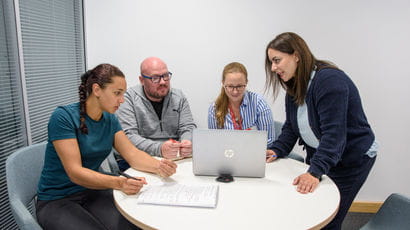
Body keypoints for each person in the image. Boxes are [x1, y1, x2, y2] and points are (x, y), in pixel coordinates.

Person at [36, 64, 177, 230]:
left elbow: (132, 154)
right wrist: (118, 183)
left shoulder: (110, 119)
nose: (122, 100)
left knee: (133, 225)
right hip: (57, 199)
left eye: (123, 93)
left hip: (92, 191)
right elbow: (75, 173)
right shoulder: (63, 117)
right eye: (117, 93)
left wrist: (159, 166)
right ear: (97, 90)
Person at [264, 32, 378, 230]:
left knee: (328, 218)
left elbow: (334, 135)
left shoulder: (329, 81)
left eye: (277, 60)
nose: (273, 68)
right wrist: (276, 150)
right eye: (271, 62)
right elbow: (292, 127)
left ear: (296, 56)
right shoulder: (295, 84)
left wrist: (315, 172)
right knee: (309, 208)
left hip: (352, 159)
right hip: (325, 155)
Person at [116, 57, 196, 171]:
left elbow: (188, 127)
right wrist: (159, 149)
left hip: (176, 159)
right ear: (142, 80)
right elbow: (128, 136)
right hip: (140, 159)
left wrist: (187, 142)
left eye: (166, 76)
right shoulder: (128, 98)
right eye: (155, 78)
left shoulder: (179, 97)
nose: (163, 82)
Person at [208, 62, 275, 148]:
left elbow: (269, 141)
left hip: (253, 155)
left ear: (246, 82)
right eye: (230, 86)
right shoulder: (215, 108)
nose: (235, 91)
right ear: (223, 84)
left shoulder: (259, 104)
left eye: (239, 86)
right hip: (227, 157)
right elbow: (213, 142)